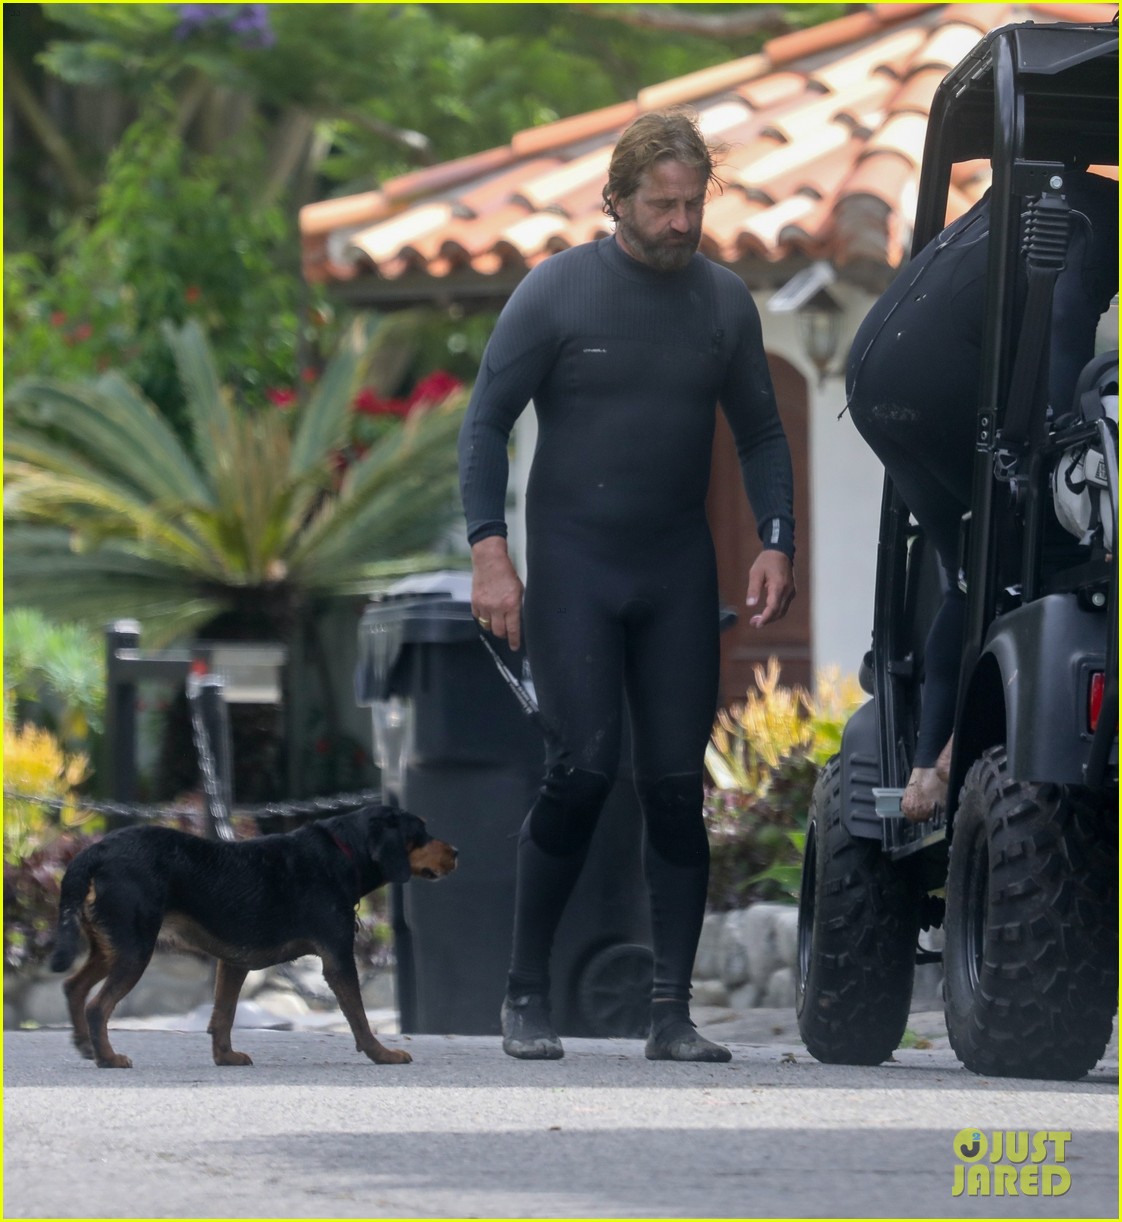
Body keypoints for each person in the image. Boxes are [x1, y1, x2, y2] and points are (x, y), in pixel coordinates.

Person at [457, 109, 797, 1062]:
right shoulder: (558, 292)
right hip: (577, 567)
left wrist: (777, 541)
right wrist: (490, 552)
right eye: (662, 205)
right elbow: (485, 424)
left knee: (676, 786)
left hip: (675, 569)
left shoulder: (723, 302)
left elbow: (763, 433)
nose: (681, 223)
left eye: (693, 205)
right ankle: (525, 995)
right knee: (583, 769)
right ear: (617, 199)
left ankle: (669, 1014)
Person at [846, 166, 1118, 821]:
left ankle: (925, 766)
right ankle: (951, 757)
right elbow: (1064, 339)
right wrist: (1058, 446)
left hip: (878, 379)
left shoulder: (1031, 199)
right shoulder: (1095, 218)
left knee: (967, 569)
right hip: (933, 382)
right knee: (1036, 547)